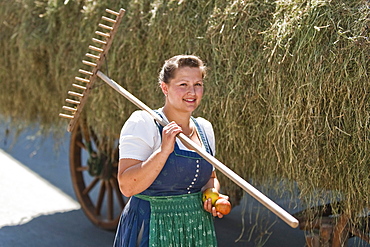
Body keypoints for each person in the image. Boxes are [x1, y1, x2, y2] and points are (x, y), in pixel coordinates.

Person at [113, 55, 229, 247]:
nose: (192, 91)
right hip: (153, 227)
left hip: (195, 228)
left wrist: (211, 194)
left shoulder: (204, 128)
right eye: (183, 84)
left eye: (198, 84)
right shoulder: (144, 123)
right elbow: (127, 186)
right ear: (164, 88)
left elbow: (211, 177)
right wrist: (163, 151)